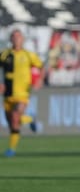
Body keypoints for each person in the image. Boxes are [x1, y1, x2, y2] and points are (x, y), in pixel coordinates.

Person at [1, 29, 44, 157]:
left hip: (22, 93)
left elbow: (41, 67)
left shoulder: (28, 55)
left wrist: (40, 80)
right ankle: (29, 119)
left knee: (15, 116)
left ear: (23, 39)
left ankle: (11, 149)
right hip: (8, 94)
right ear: (10, 39)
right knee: (12, 123)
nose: (16, 39)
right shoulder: (4, 54)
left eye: (18, 36)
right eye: (13, 37)